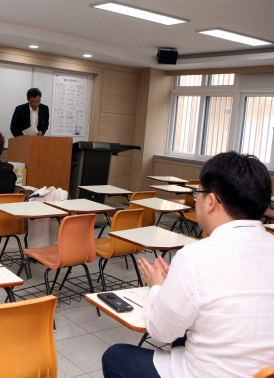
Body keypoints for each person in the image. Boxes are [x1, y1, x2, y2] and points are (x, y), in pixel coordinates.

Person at [101, 152, 274, 378]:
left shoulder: (195, 256)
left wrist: (157, 287)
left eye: (198, 193)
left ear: (211, 201)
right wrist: (178, 285)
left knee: (116, 357)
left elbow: (161, 331)